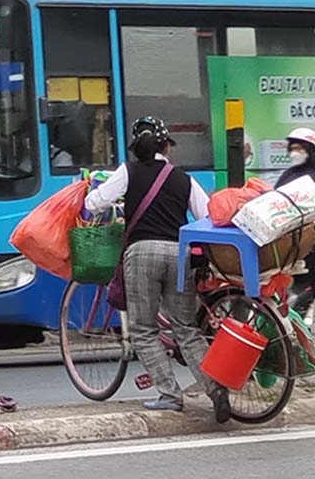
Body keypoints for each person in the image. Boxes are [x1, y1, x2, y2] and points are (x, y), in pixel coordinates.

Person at [84, 116, 231, 423]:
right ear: (167, 146)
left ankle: (169, 394)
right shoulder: (183, 179)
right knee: (186, 328)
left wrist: (94, 194)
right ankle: (215, 388)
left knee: (143, 329)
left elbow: (96, 202)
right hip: (179, 254)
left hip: (142, 253)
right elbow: (207, 215)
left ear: (136, 147)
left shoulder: (128, 171)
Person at [275, 127, 315, 311]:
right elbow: (275, 198)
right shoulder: (288, 175)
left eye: (300, 148)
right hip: (290, 236)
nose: (295, 152)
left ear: (310, 149)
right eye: (292, 148)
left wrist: (313, 214)